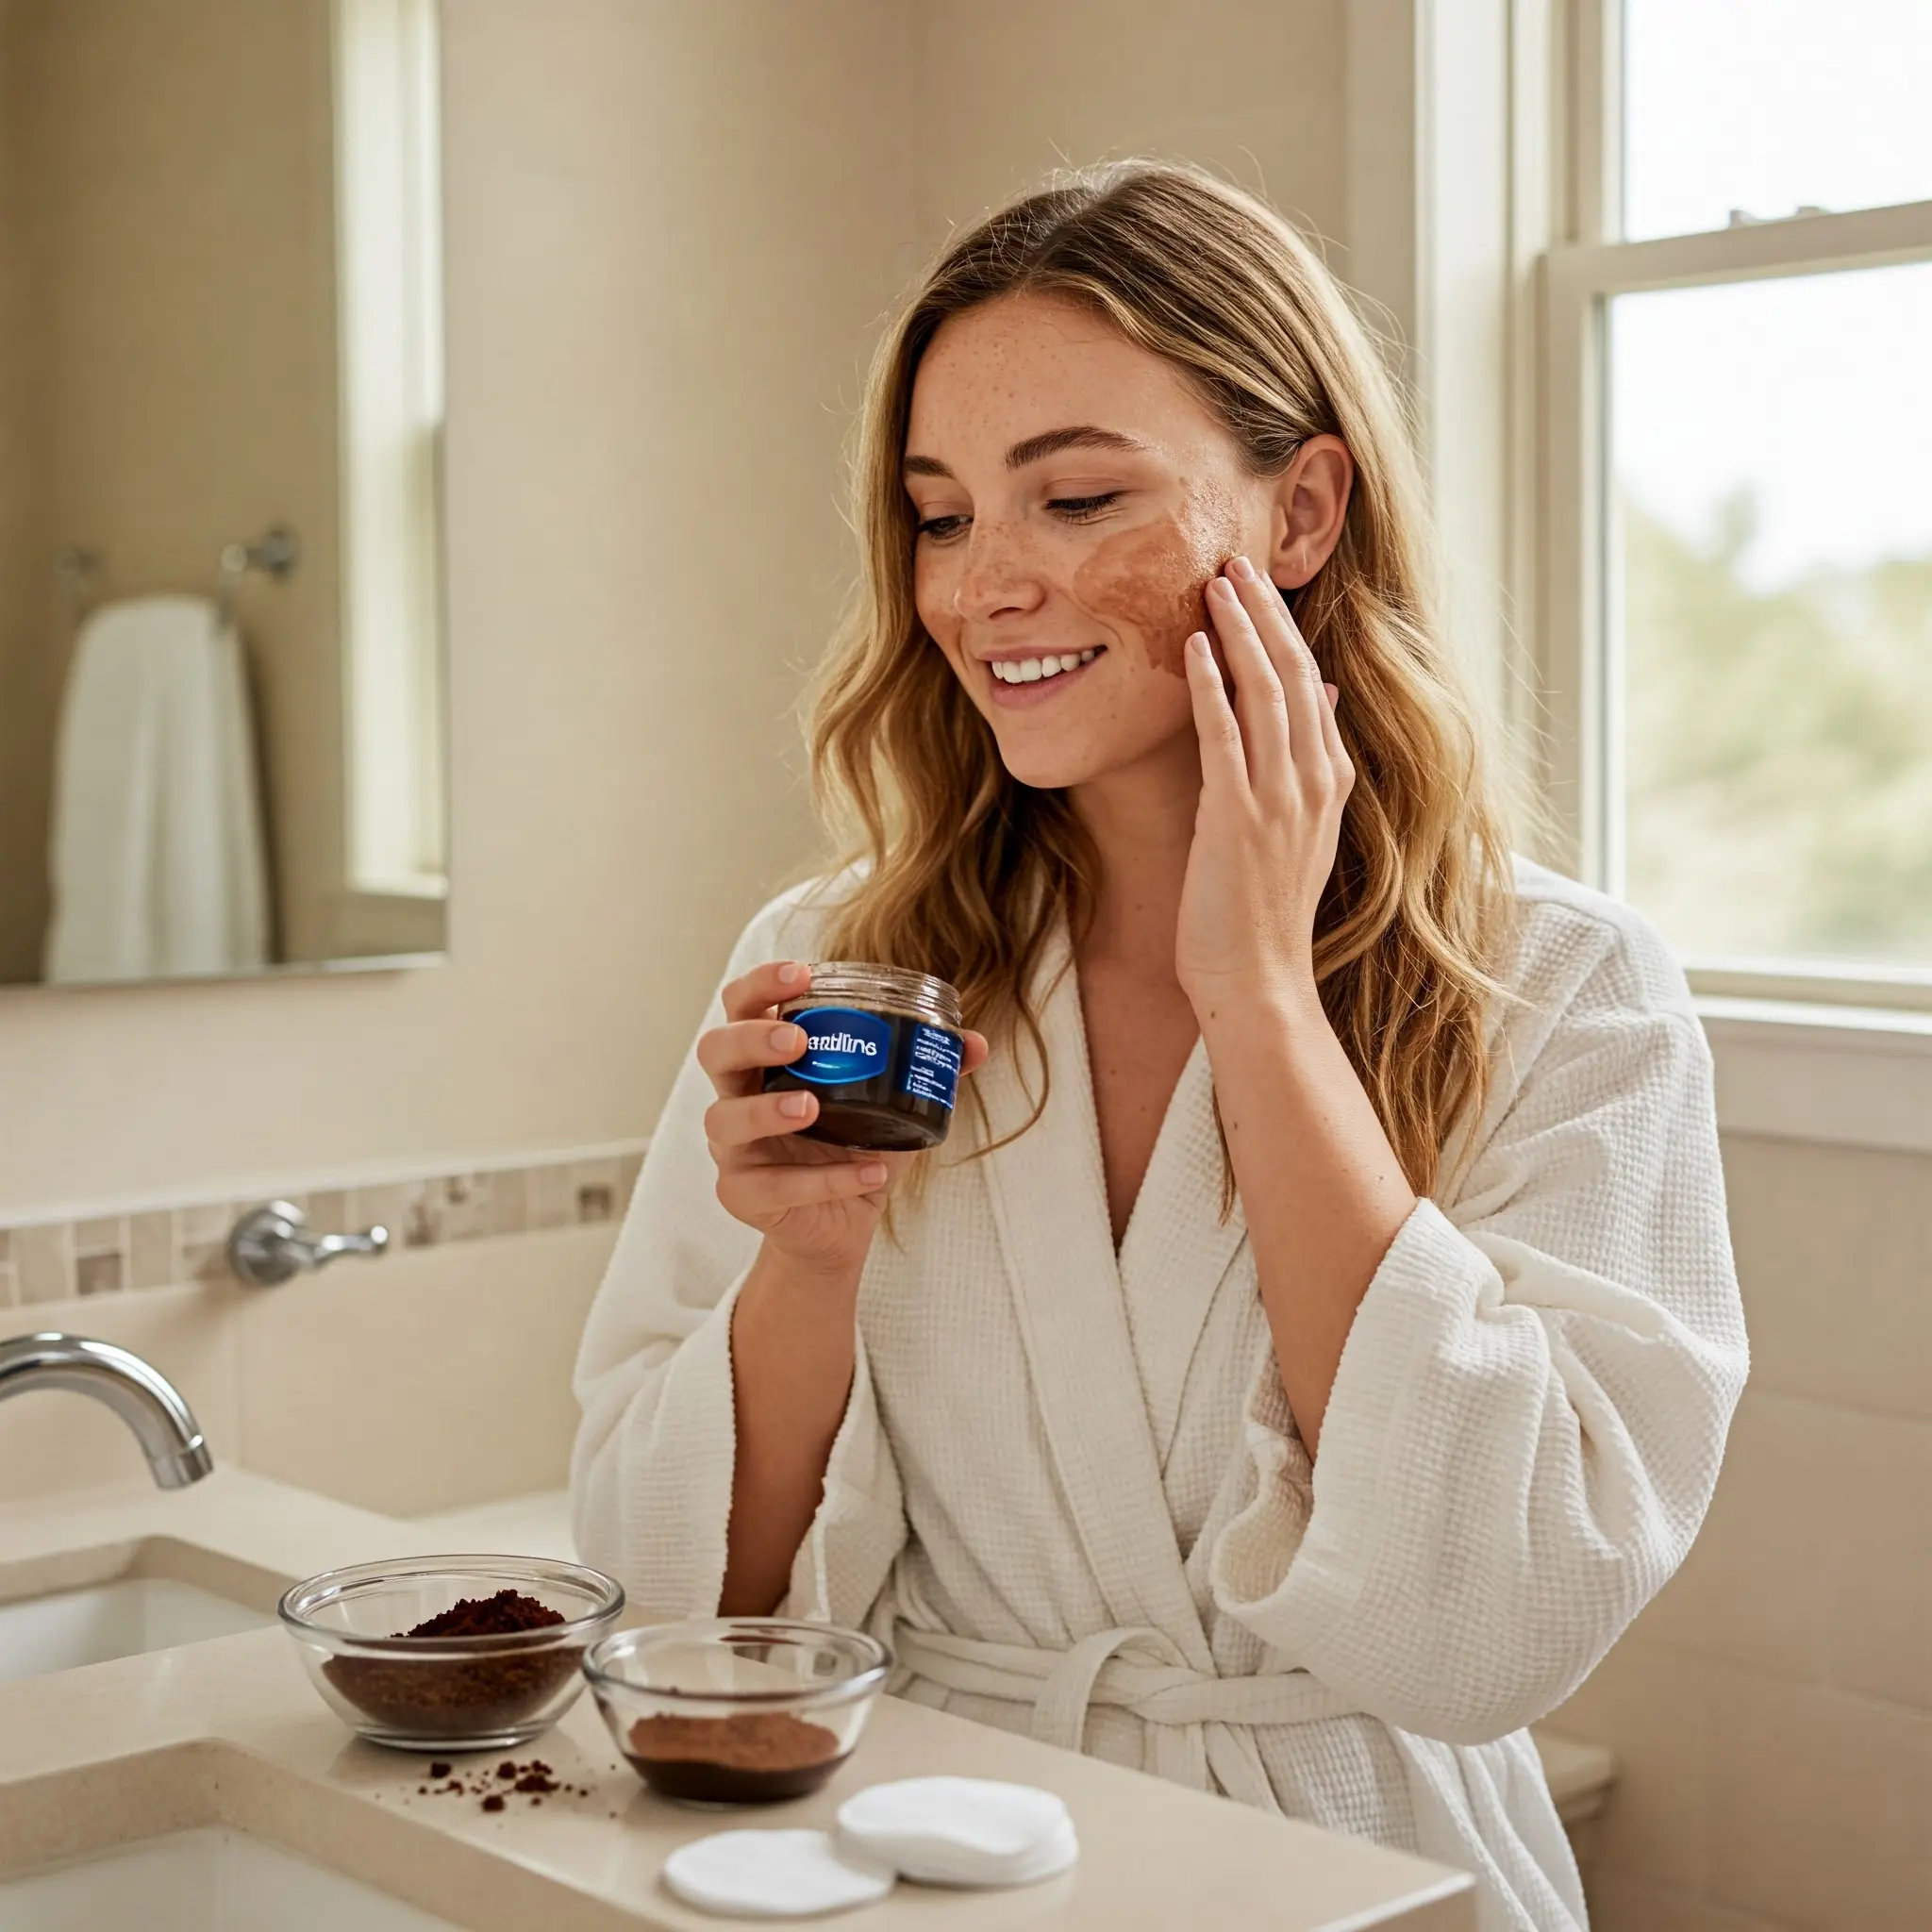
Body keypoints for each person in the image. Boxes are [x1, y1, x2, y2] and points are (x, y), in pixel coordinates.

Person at [572, 162, 1747, 1931]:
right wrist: (804, 1266)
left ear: (1304, 510)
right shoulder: (846, 975)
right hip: (936, 1852)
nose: (985, 588)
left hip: (1352, 1869)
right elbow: (679, 1609)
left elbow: (1501, 1613)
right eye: (941, 516)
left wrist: (1260, 995)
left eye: (1077, 498)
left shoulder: (1560, 988)